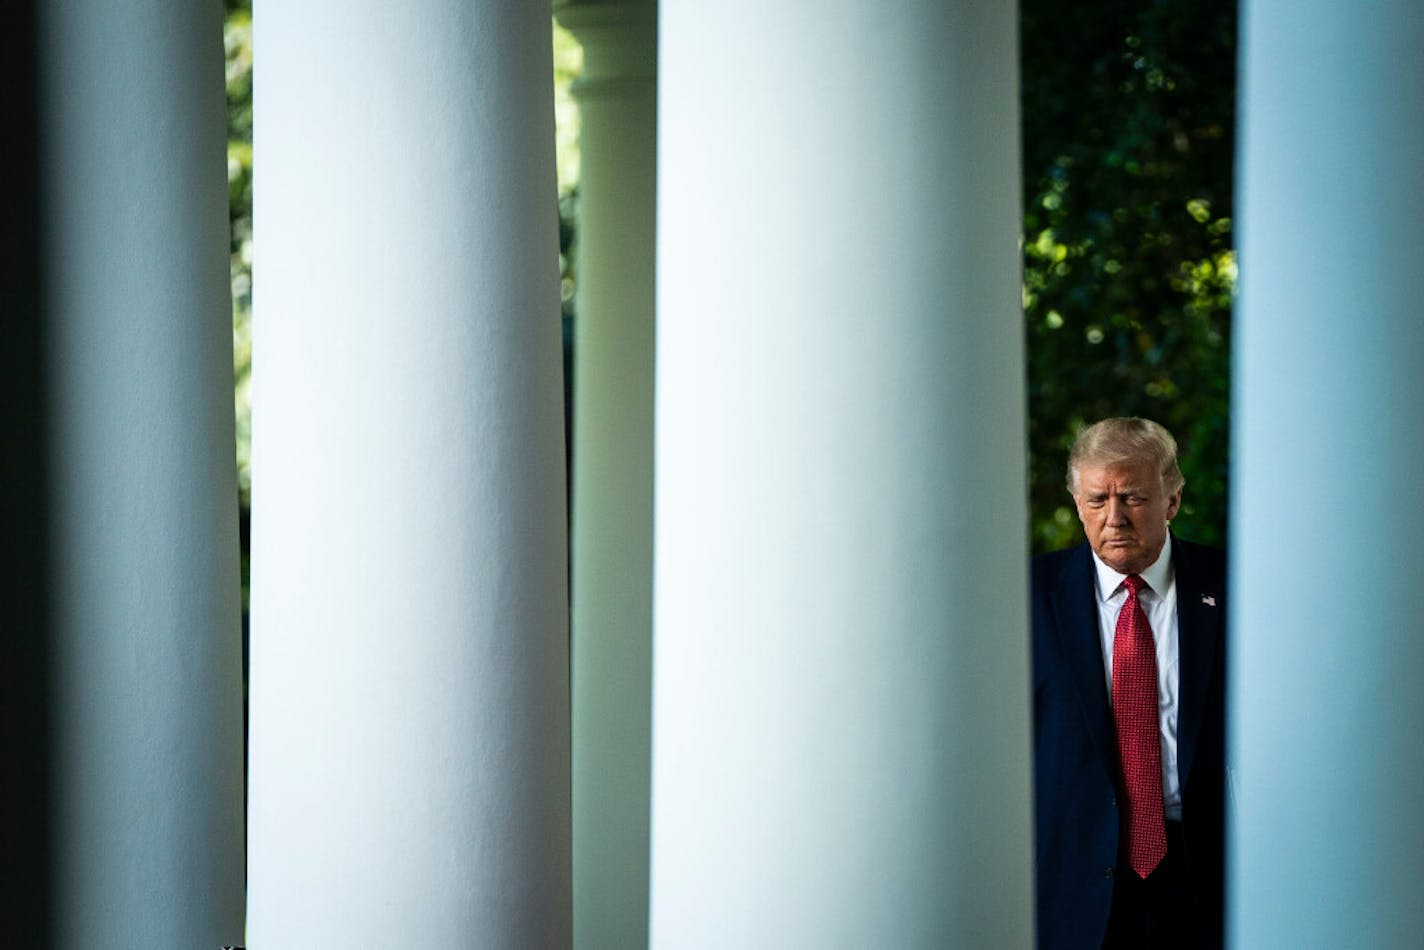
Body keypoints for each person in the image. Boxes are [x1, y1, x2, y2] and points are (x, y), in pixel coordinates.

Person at [1031, 417, 1225, 949]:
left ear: (1173, 500)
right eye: (1096, 500)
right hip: (1074, 873)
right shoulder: (1028, 595)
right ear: (1077, 505)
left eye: (1133, 498)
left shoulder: (1234, 587)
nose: (1113, 518)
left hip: (1205, 870)